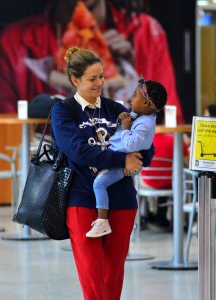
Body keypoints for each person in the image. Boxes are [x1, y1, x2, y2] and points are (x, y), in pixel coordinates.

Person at [51, 46, 154, 300]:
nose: (100, 83)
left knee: (113, 271)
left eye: (102, 76)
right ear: (75, 80)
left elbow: (145, 148)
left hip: (121, 198)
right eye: (92, 78)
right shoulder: (63, 111)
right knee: (91, 272)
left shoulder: (115, 108)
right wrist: (122, 159)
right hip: (81, 197)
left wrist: (137, 158)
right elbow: (79, 152)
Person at [0, 0, 184, 123]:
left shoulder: (146, 32)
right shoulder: (13, 44)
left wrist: (131, 72)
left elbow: (169, 119)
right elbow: (7, 132)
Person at [87, 77, 167, 238]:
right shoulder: (140, 115)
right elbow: (127, 121)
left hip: (123, 160)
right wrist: (122, 119)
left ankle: (102, 221)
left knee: (99, 184)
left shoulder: (145, 124)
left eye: (135, 95)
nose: (131, 98)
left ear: (145, 103)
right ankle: (127, 220)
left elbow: (131, 144)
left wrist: (125, 128)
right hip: (120, 156)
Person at [141, 109, 190, 228]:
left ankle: (143, 216)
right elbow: (188, 164)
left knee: (134, 179)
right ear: (164, 119)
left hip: (149, 182)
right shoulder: (176, 140)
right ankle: (180, 220)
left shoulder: (142, 139)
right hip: (170, 182)